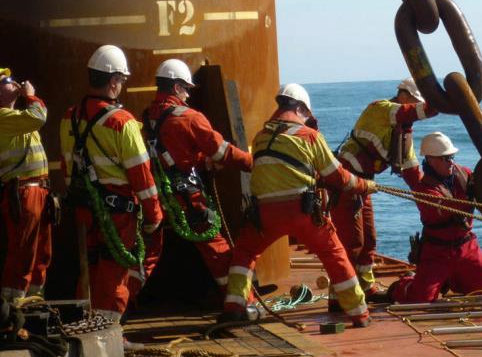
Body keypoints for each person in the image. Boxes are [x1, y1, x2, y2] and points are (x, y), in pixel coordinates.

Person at [220, 83, 377, 327]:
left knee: (244, 254)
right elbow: (339, 177)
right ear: (302, 109)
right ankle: (359, 313)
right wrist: (366, 186)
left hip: (263, 215)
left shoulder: (260, 138)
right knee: (334, 255)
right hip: (302, 212)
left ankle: (234, 306)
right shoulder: (310, 137)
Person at [129, 58, 252, 299]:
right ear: (176, 88)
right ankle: (240, 302)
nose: (187, 95)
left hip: (158, 196)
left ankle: (118, 308)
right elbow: (222, 152)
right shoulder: (189, 117)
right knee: (217, 248)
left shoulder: (149, 116)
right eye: (186, 89)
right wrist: (252, 162)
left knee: (147, 255)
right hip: (187, 198)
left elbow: (171, 151)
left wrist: (197, 160)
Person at [59, 45, 163, 321]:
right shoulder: (122, 122)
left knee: (89, 266)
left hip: (84, 209)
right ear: (114, 81)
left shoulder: (69, 117)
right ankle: (109, 336)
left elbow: (67, 167)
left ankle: (85, 323)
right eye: (121, 80)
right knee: (114, 270)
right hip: (117, 213)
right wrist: (153, 216)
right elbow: (142, 176)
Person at [330, 78, 437, 301]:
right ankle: (340, 297)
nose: (414, 105)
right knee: (351, 241)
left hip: (364, 186)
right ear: (403, 95)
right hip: (346, 181)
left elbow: (412, 173)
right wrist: (445, 103)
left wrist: (433, 199)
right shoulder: (380, 109)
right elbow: (416, 111)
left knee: (369, 239)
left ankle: (366, 288)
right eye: (413, 100)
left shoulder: (403, 133)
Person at [390, 132, 482, 303]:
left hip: (467, 250)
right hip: (437, 254)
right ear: (429, 160)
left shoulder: (464, 174)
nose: (450, 162)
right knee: (420, 300)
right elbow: (445, 207)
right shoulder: (423, 189)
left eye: (451, 156)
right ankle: (405, 284)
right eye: (444, 158)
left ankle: (452, 280)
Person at [0, 68, 52, 301]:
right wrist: (31, 96)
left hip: (38, 190)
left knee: (41, 253)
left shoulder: (17, 119)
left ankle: (34, 303)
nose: (13, 82)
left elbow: (32, 119)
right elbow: (38, 117)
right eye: (6, 81)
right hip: (22, 192)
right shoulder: (4, 118)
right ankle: (13, 309)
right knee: (23, 252)